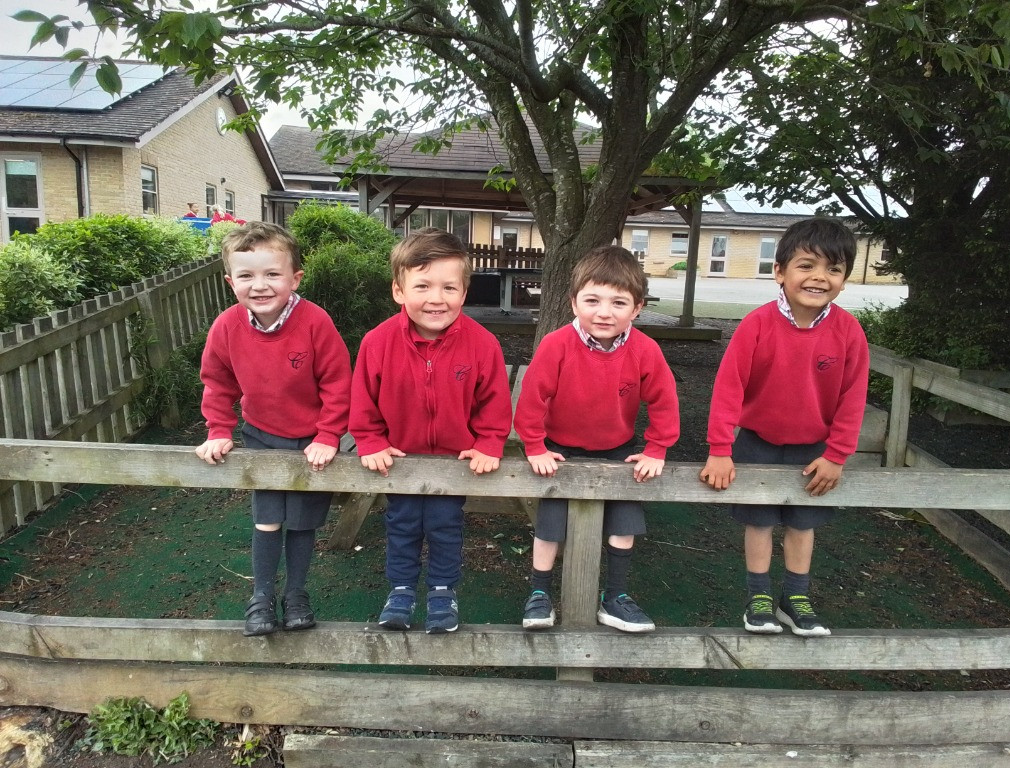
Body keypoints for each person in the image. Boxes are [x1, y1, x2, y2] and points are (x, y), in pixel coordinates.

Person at [699, 217, 869, 638]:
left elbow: (853, 396)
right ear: (779, 272)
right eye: (806, 265)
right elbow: (728, 389)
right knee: (758, 523)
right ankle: (758, 597)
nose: (819, 277)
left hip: (814, 450)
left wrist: (837, 455)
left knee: (802, 523)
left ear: (844, 279)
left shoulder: (848, 331)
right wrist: (720, 449)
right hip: (758, 444)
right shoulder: (756, 325)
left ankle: (795, 597)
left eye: (833, 269)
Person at [350, 227, 512, 634]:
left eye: (449, 287)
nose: (436, 299)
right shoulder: (377, 342)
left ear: (464, 292)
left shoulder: (483, 344)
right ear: (399, 291)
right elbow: (363, 398)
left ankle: (442, 592)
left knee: (445, 526)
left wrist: (490, 442)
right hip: (399, 459)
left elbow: (494, 400)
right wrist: (369, 439)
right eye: (422, 285)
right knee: (401, 524)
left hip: (454, 461)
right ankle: (401, 590)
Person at [194, 221, 351, 637]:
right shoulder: (227, 326)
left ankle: (296, 594)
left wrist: (329, 435)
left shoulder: (315, 322)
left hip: (311, 440)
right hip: (261, 434)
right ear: (231, 281)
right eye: (246, 276)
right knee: (267, 519)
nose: (259, 285)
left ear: (294, 278)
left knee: (302, 522)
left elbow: (337, 382)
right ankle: (261, 596)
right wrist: (219, 430)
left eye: (272, 274)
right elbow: (217, 382)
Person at [514, 245, 680, 633]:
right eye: (592, 300)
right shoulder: (557, 344)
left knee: (624, 524)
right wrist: (535, 445)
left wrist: (656, 448)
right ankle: (539, 593)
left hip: (619, 450)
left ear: (637, 308)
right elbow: (532, 397)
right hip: (560, 449)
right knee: (550, 524)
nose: (604, 312)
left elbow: (665, 400)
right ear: (574, 302)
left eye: (618, 302)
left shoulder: (645, 350)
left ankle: (615, 596)